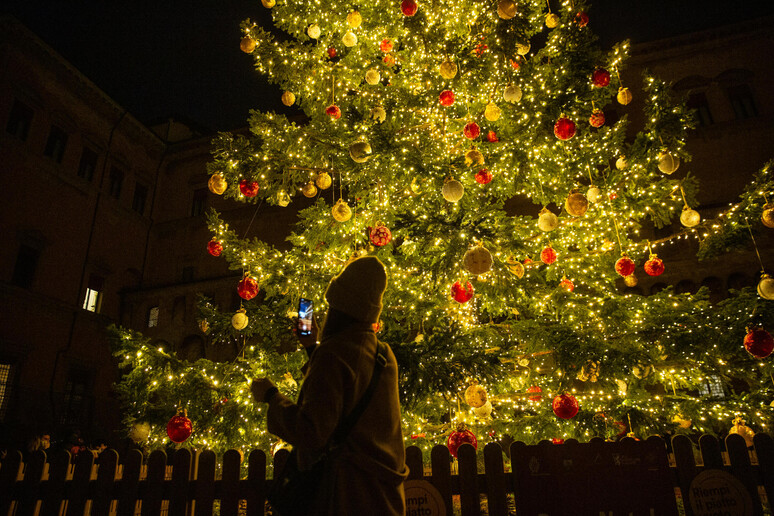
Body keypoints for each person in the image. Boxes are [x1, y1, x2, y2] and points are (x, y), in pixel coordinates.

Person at [251, 256, 408, 515]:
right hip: (384, 496)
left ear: (340, 308)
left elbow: (311, 432)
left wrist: (270, 395)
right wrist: (312, 347)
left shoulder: (333, 354)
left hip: (347, 495)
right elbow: (350, 388)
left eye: (331, 306)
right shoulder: (383, 353)